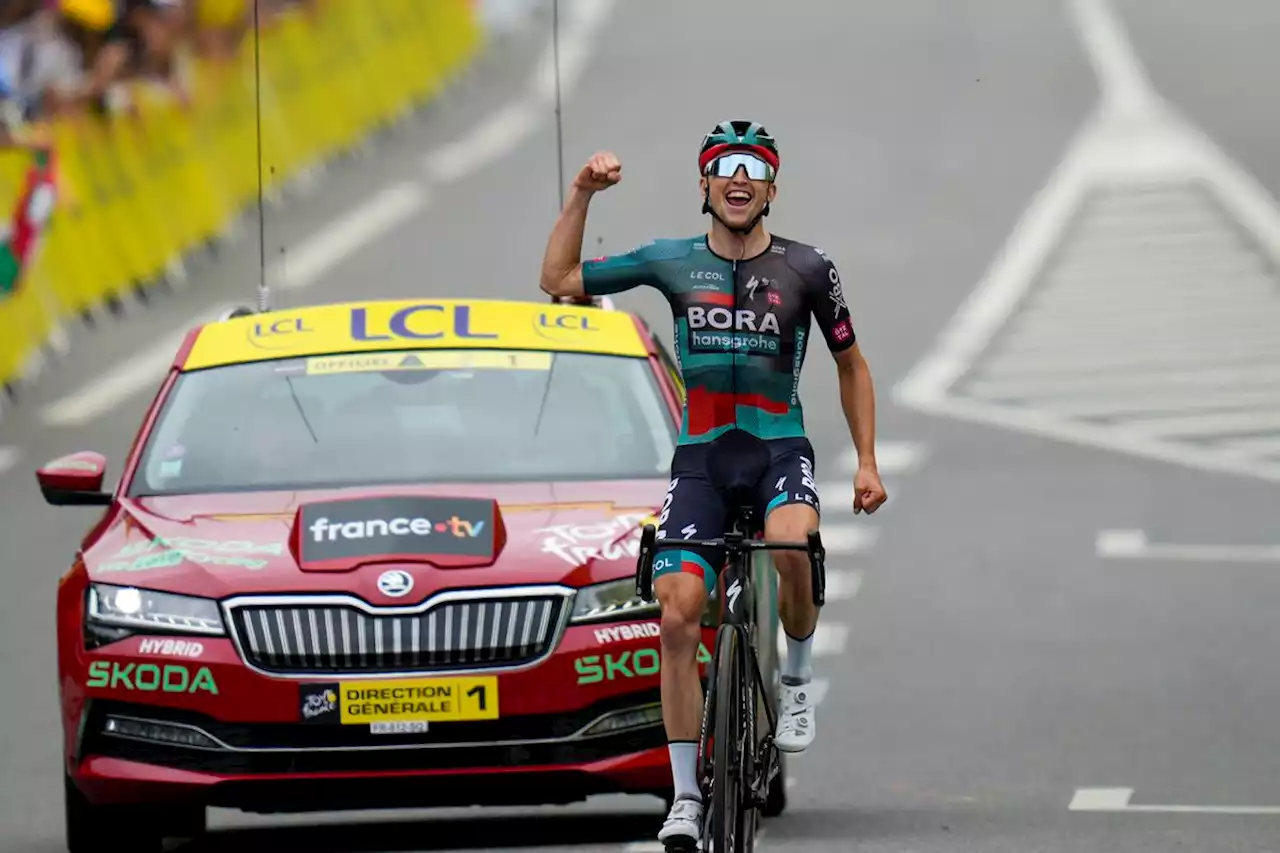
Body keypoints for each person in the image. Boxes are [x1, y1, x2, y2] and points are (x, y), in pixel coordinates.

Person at [539, 120, 888, 848]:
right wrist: (582, 194)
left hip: (776, 449)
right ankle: (687, 797)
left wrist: (865, 461)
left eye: (753, 168)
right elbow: (559, 281)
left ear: (770, 187)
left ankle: (793, 681)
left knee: (793, 541)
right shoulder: (672, 260)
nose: (738, 178)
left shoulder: (807, 268)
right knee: (676, 613)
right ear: (703, 184)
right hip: (700, 457)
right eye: (723, 167)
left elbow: (850, 364)